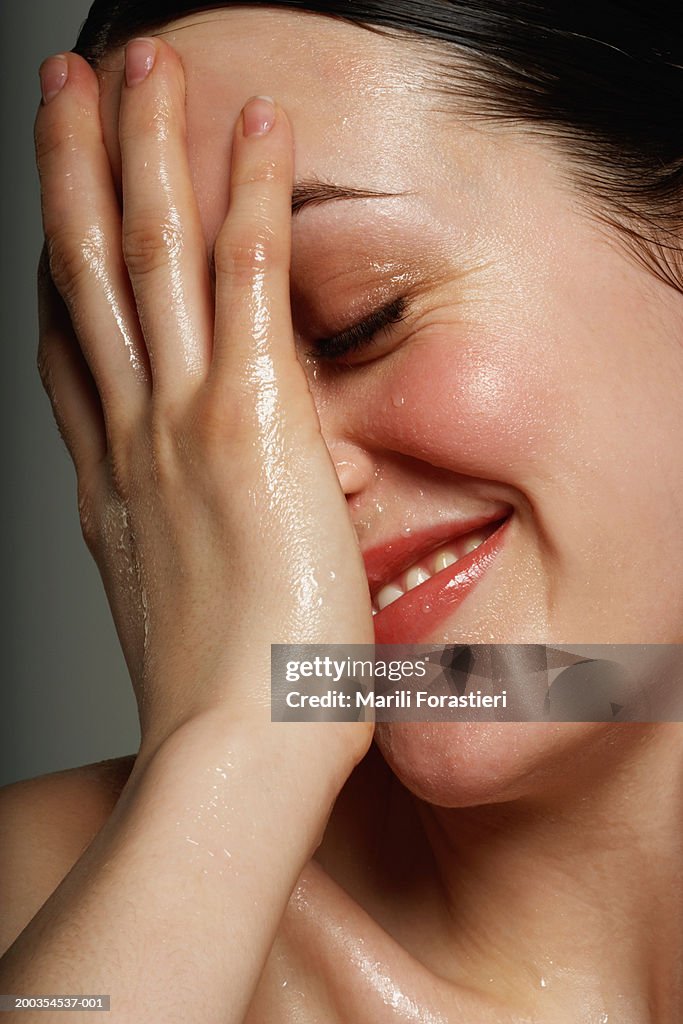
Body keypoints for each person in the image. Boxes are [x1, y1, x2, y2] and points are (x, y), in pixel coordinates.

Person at [1, 1, 682, 1020]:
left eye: (360, 319)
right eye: (171, 396)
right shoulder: (37, 901)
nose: (267, 472)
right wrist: (238, 746)